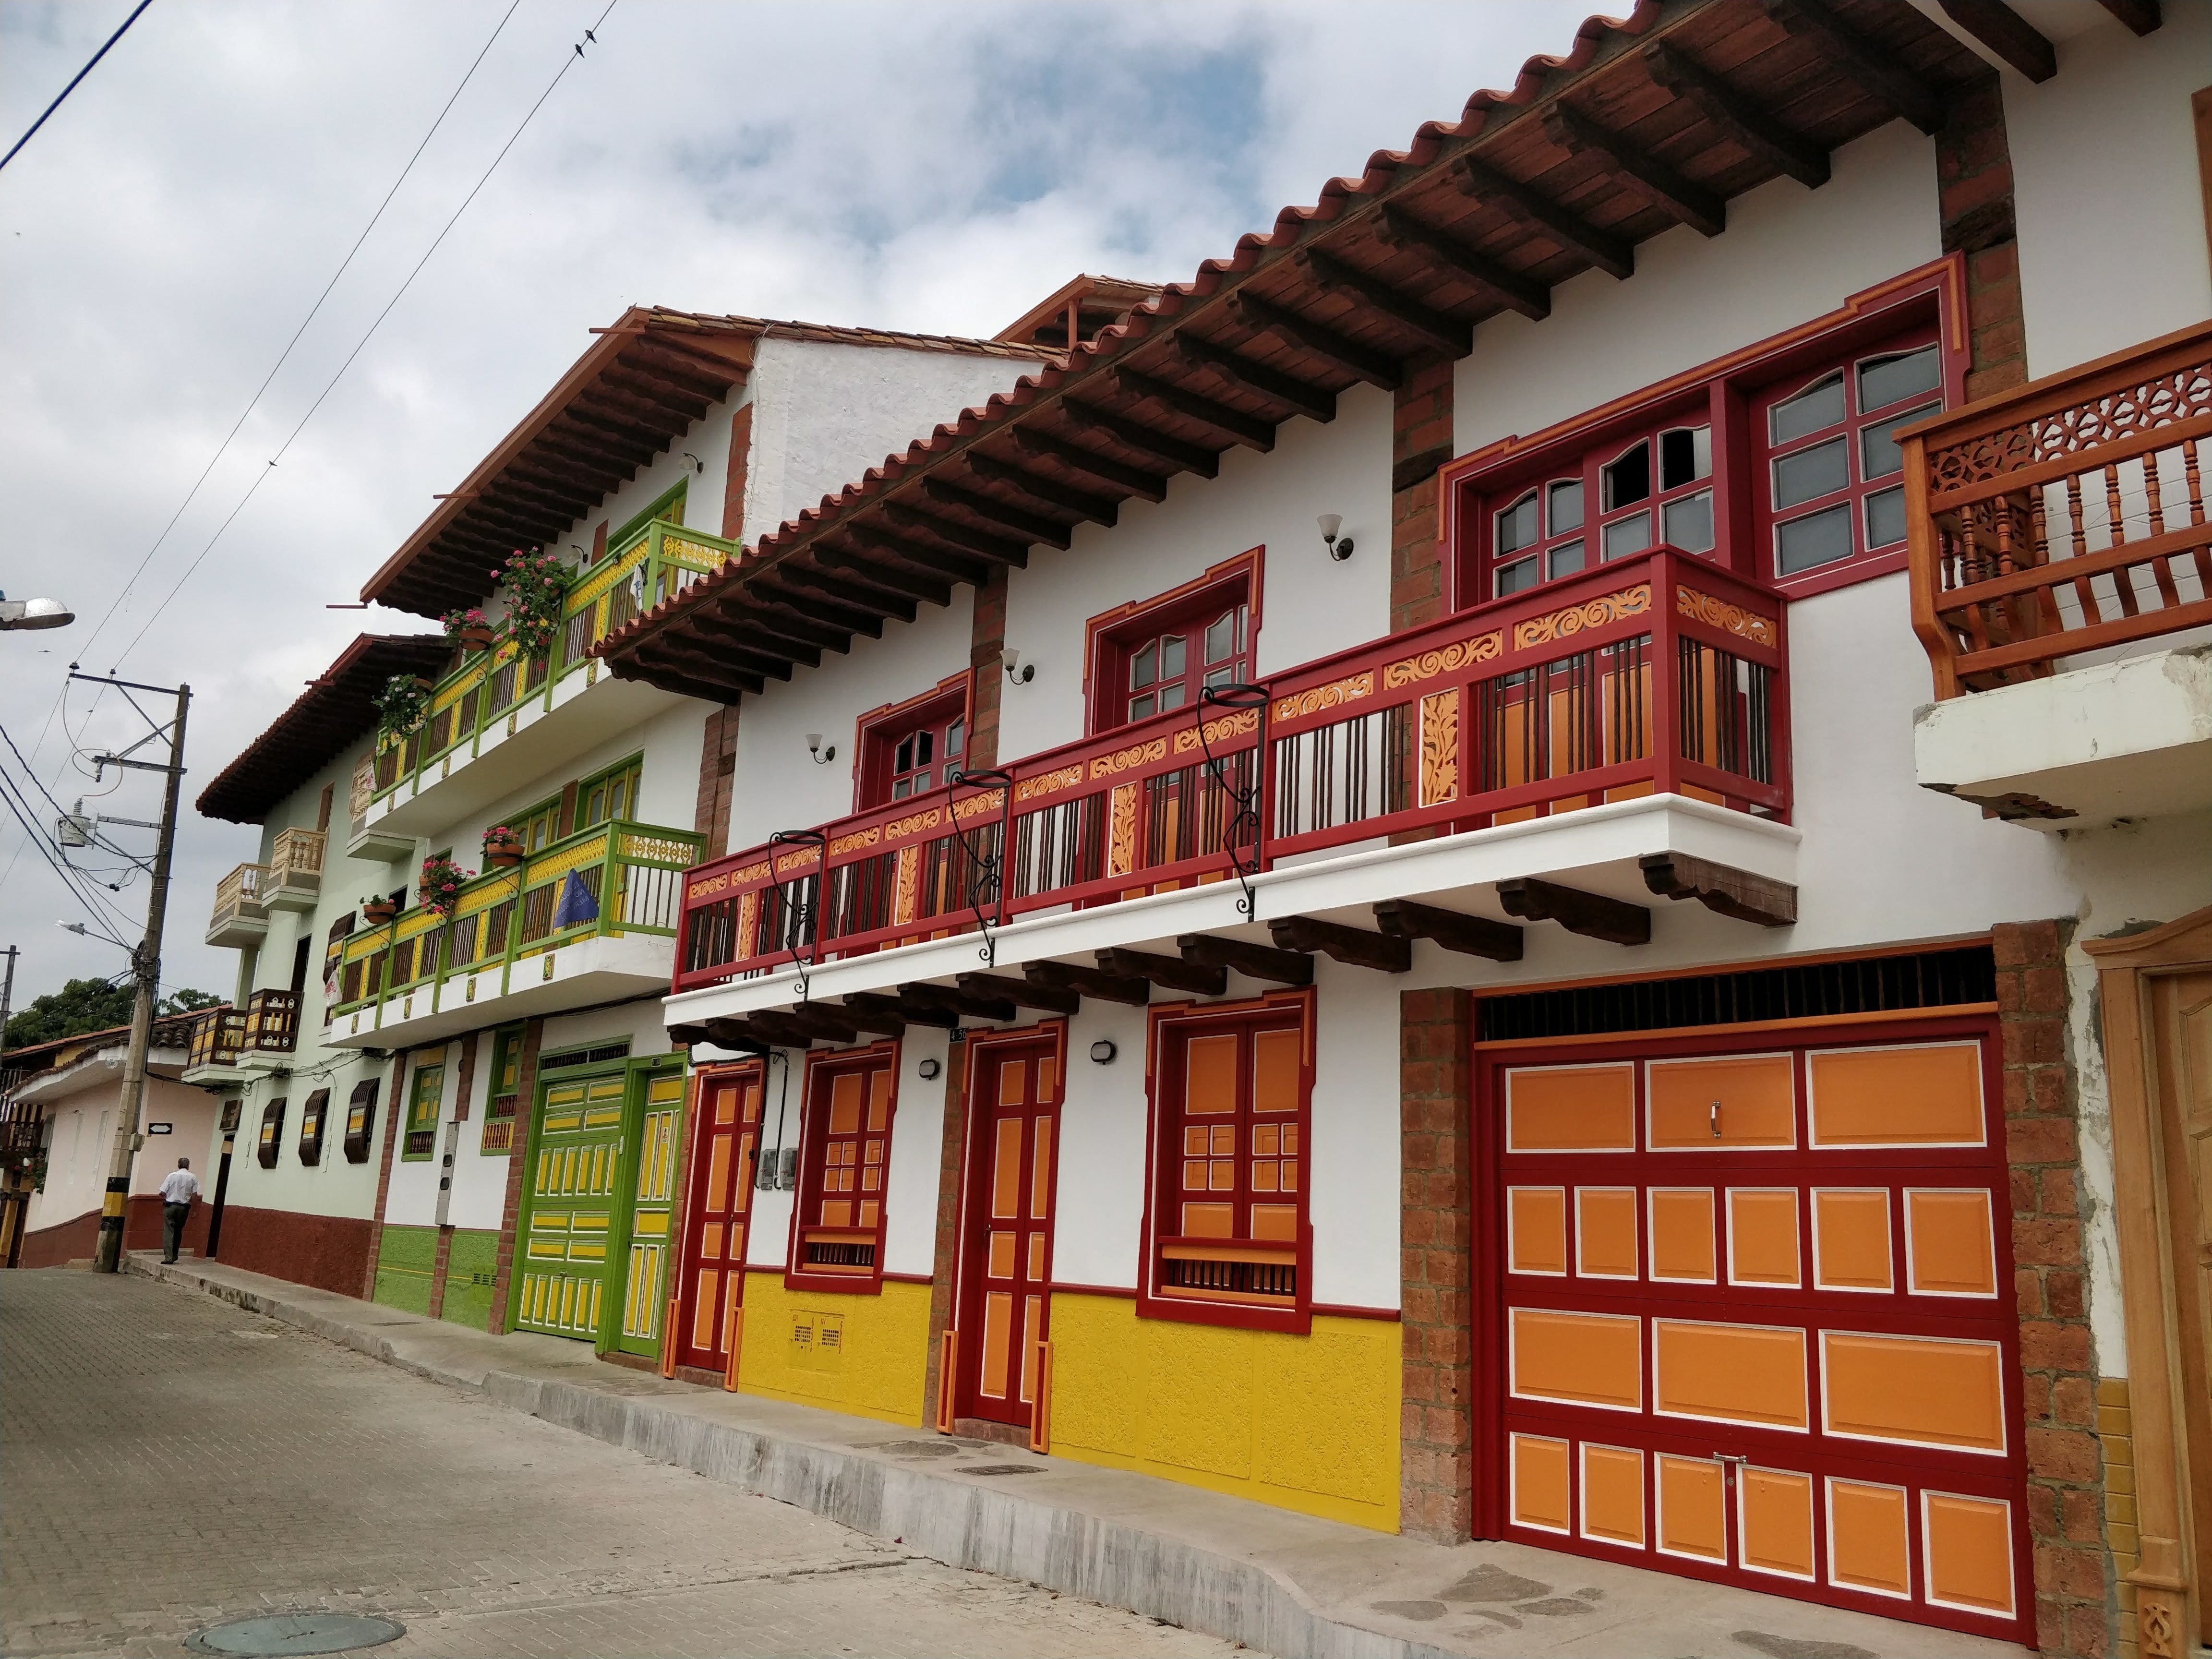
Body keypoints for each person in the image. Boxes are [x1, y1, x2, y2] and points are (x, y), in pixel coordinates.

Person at [159, 1158, 200, 1264]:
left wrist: (164, 1195)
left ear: (178, 1165)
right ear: (188, 1166)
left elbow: (163, 1192)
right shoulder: (193, 1177)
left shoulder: (171, 1176)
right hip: (184, 1208)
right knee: (178, 1231)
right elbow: (195, 1196)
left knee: (169, 1232)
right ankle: (175, 1255)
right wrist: (195, 1210)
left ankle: (169, 1257)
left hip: (170, 1207)